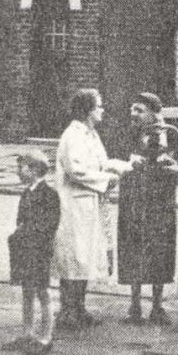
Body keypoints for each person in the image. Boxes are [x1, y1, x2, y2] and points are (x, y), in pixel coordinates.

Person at [52, 89, 130, 332]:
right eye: (98, 106)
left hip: (89, 205)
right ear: (86, 110)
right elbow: (76, 171)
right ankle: (67, 311)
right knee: (73, 258)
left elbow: (101, 161)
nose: (102, 110)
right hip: (74, 207)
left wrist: (125, 166)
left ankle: (79, 308)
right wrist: (107, 179)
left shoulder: (91, 135)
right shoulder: (72, 136)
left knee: (84, 258)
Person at [118, 92, 178, 325]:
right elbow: (115, 161)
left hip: (161, 204)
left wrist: (175, 169)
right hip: (133, 201)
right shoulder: (127, 134)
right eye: (132, 109)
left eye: (139, 110)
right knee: (133, 250)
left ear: (154, 113)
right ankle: (134, 305)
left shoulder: (171, 134)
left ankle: (157, 305)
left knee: (161, 251)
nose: (133, 114)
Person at [6, 153, 61, 354]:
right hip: (25, 249)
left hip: (38, 250)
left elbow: (49, 225)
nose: (18, 172)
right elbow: (20, 220)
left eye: (22, 168)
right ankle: (27, 334)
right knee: (27, 290)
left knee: (42, 291)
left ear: (35, 169)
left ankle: (46, 336)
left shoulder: (49, 194)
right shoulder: (27, 193)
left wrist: (27, 233)